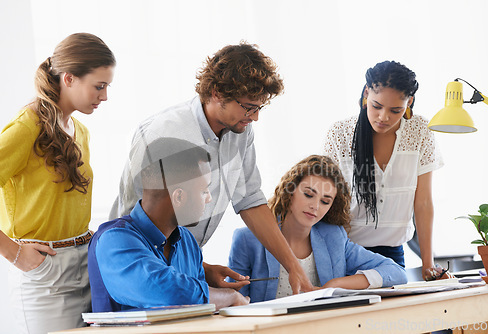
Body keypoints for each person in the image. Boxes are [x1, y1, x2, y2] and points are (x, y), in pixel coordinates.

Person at [110, 42, 313, 293]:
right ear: (217, 93)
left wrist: (294, 267)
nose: (255, 117)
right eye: (249, 107)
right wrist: (199, 268)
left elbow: (249, 199)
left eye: (259, 107)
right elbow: (135, 223)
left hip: (184, 265)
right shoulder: (163, 132)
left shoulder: (241, 131)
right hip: (143, 269)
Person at [0, 33, 115, 333]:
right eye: (99, 86)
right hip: (45, 273)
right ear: (69, 79)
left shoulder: (80, 131)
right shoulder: (27, 126)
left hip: (85, 264)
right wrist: (13, 253)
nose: (104, 96)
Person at [88, 137, 249, 312]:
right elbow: (170, 293)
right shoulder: (114, 240)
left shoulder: (186, 240)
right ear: (178, 197)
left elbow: (199, 309)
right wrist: (231, 298)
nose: (209, 198)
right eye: (204, 190)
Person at [227, 155, 406, 303]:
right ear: (290, 191)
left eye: (325, 201)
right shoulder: (247, 239)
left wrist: (335, 285)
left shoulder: (334, 237)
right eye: (308, 195)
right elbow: (235, 302)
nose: (315, 206)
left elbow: (396, 272)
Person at [323, 60, 444, 279]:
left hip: (392, 254)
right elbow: (326, 202)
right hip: (344, 251)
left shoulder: (420, 132)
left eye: (395, 110)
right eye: (376, 106)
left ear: (409, 102)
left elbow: (423, 202)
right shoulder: (340, 134)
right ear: (366, 94)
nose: (384, 117)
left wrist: (428, 264)